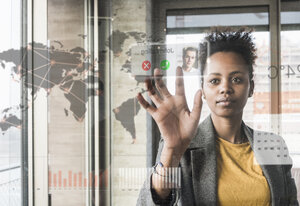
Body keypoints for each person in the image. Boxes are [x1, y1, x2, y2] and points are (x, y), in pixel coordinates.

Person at [136, 27, 298, 205]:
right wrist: (171, 152)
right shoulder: (181, 144)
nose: (225, 88)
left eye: (236, 79)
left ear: (251, 87)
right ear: (203, 90)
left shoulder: (274, 146)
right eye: (214, 81)